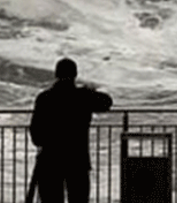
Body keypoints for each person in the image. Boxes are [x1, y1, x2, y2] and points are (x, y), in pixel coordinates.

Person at [28, 58, 113, 203]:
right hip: (77, 159)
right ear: (75, 74)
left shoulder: (44, 98)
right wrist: (90, 90)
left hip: (50, 160)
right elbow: (107, 102)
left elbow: (36, 135)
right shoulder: (83, 96)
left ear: (56, 74)